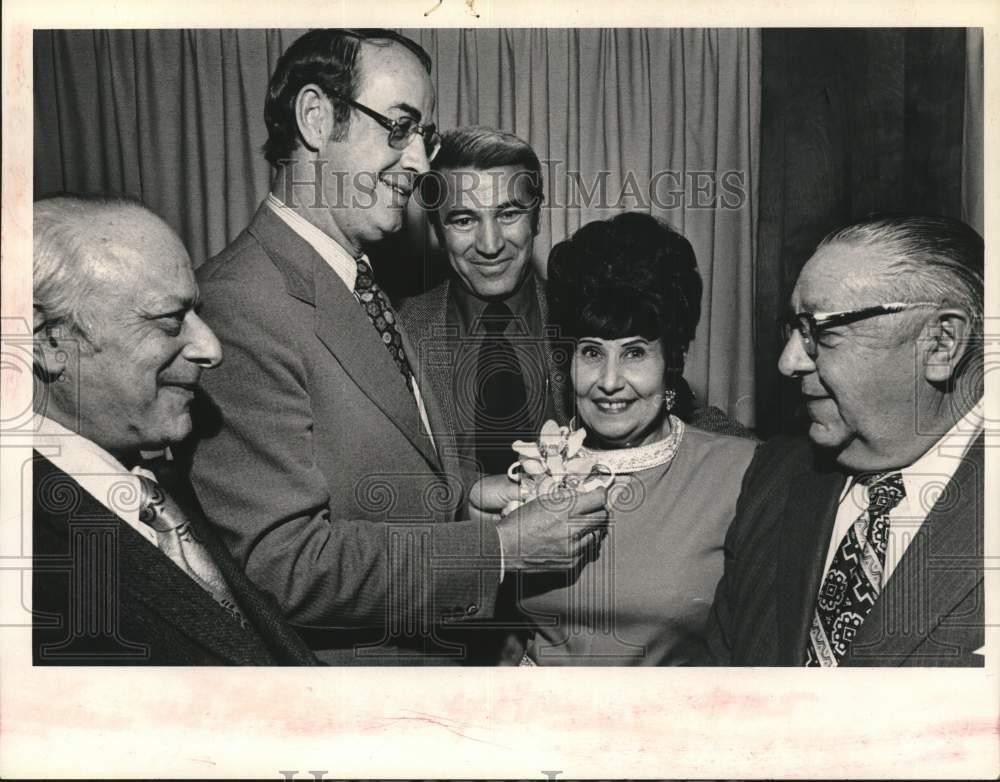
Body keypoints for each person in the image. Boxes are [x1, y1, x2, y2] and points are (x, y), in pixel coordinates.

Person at [187, 29, 608, 664]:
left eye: (424, 137)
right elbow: (289, 566)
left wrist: (469, 493)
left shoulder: (350, 275)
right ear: (314, 117)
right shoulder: (241, 302)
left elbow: (367, 472)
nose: (418, 160)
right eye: (400, 127)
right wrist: (501, 549)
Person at [31, 194, 318, 665]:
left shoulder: (158, 483)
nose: (210, 348)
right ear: (46, 341)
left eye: (197, 314)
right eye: (169, 321)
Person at [473, 212, 759, 665]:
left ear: (673, 360)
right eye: (591, 352)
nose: (608, 381)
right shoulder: (528, 469)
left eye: (634, 353)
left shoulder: (741, 475)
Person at [401, 126, 753, 491]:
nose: (490, 245)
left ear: (536, 217)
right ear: (436, 229)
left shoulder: (585, 310)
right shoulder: (400, 330)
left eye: (508, 214)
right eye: (464, 219)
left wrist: (779, 468)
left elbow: (674, 407)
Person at [704, 214, 984, 667]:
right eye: (793, 330)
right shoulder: (775, 474)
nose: (788, 362)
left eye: (822, 333)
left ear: (940, 343)